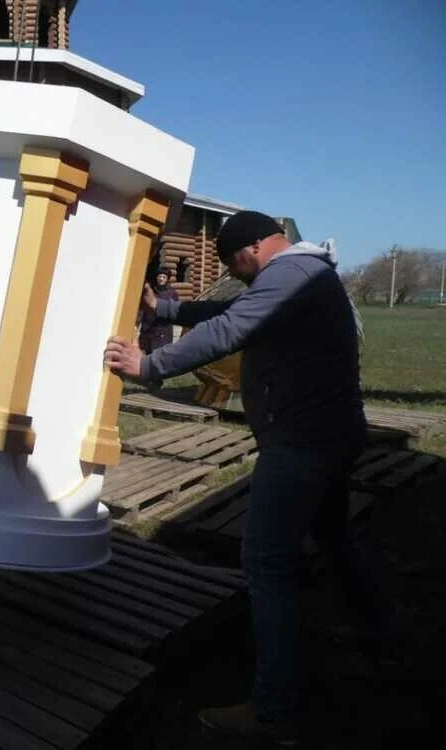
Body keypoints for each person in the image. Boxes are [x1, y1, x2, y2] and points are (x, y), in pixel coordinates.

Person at [104, 211, 383, 746]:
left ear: (253, 249)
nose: (241, 275)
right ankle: (373, 631)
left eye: (236, 264)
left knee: (266, 562)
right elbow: (231, 307)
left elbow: (232, 326)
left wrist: (149, 365)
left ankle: (275, 712)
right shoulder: (306, 273)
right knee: (332, 535)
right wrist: (166, 307)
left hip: (303, 443)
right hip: (330, 435)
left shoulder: (290, 274)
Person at [137, 267, 179, 354]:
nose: (161, 279)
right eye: (160, 276)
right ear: (157, 277)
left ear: (167, 279)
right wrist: (138, 321)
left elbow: (174, 310)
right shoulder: (150, 291)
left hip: (163, 328)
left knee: (160, 354)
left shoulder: (172, 293)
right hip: (148, 328)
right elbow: (142, 307)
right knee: (146, 353)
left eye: (164, 277)